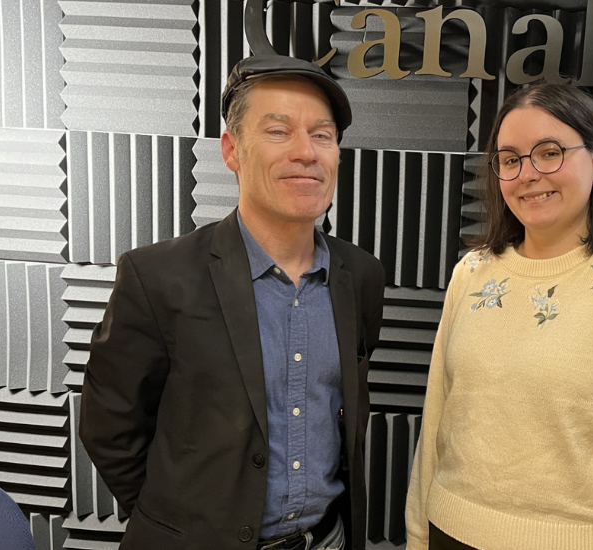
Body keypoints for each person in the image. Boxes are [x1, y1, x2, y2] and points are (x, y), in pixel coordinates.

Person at [79, 55, 385, 550]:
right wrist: (179, 524)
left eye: (322, 135)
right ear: (231, 150)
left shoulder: (362, 276)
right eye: (279, 131)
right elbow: (109, 424)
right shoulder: (157, 276)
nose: (306, 152)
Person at [404, 82, 593, 550]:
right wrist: (419, 533)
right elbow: (439, 415)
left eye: (549, 153)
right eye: (510, 160)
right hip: (450, 532)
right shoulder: (473, 273)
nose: (529, 174)